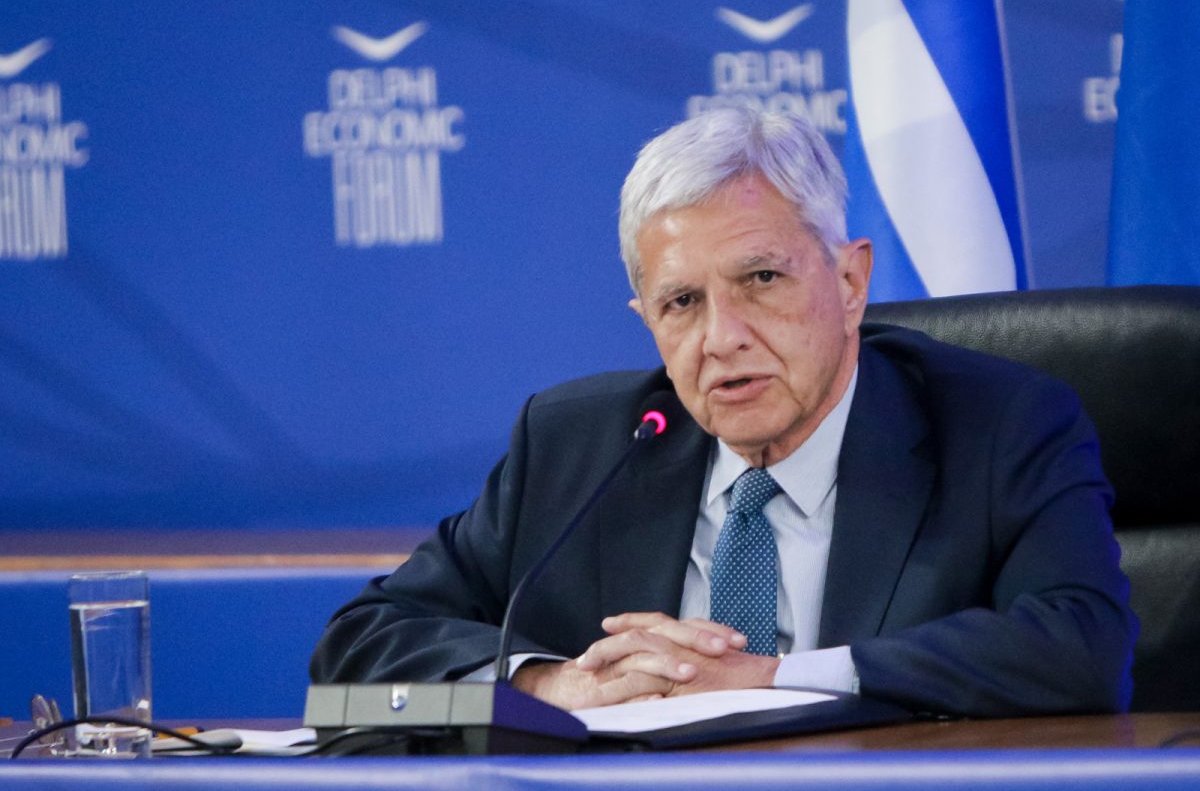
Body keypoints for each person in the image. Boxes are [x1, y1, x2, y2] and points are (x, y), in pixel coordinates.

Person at [310, 107, 1136, 717]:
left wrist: (776, 680)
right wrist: (549, 687)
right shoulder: (576, 446)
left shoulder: (999, 426)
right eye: (681, 302)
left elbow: (1083, 649)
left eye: (761, 280)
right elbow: (360, 646)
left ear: (851, 283)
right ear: (646, 321)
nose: (722, 338)